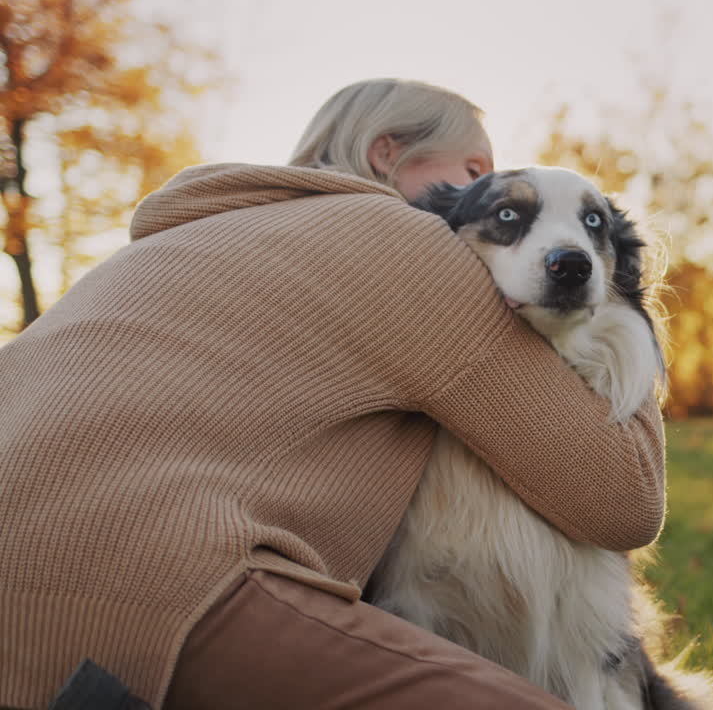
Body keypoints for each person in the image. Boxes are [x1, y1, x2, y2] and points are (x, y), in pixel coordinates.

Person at [0, 78, 667, 709]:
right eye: (475, 172)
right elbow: (622, 500)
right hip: (141, 594)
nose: (477, 190)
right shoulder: (405, 245)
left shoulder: (180, 238)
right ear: (387, 154)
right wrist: (631, 334)